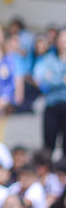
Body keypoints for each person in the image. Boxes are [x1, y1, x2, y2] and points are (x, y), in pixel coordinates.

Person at [33, 28, 66, 158]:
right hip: (52, 104)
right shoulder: (48, 59)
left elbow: (49, 79)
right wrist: (61, 80)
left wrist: (53, 78)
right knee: (48, 143)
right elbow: (41, 80)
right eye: (61, 39)